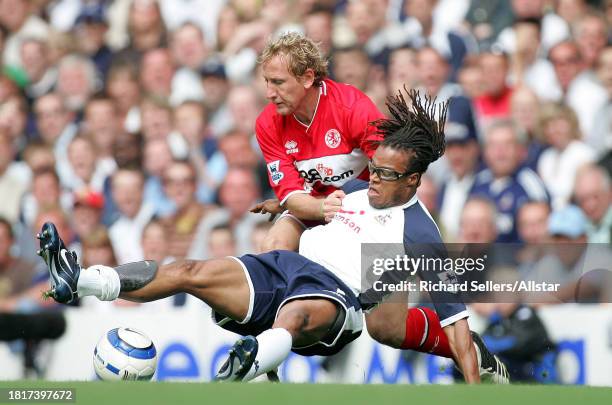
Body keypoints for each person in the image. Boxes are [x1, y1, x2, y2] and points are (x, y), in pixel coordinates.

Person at [36, 89, 508, 383]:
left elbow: (456, 324)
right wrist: (282, 204)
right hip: (285, 268)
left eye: (387, 173)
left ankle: (252, 364)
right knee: (189, 271)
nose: (375, 177)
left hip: (335, 299)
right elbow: (310, 205)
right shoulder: (358, 186)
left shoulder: (420, 231)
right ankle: (79, 278)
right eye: (374, 166)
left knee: (299, 315)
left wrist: (478, 379)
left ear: (413, 181)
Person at [252, 32, 384, 252]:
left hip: (366, 205)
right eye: (267, 81)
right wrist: (323, 206)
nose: (269, 93)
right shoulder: (267, 123)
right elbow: (292, 197)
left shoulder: (354, 108)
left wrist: (352, 205)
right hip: (313, 207)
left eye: (278, 82)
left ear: (307, 78)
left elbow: (391, 174)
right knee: (272, 247)